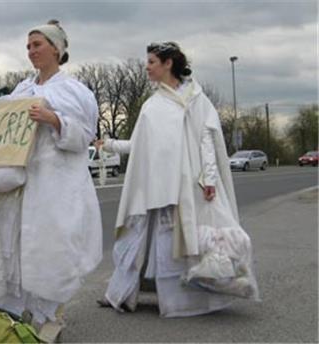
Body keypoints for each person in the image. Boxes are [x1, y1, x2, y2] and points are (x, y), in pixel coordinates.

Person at [0, 20, 103, 337]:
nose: (31, 51)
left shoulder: (75, 91)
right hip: (18, 182)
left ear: (56, 49)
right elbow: (3, 135)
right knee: (13, 246)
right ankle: (15, 313)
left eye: (37, 44)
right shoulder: (21, 90)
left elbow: (85, 135)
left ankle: (49, 314)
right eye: (28, 46)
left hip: (56, 182)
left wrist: (55, 120)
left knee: (49, 249)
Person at [95, 42, 259, 317]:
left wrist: (208, 177)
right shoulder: (150, 105)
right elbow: (138, 146)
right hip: (155, 187)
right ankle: (123, 295)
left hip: (187, 184)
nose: (146, 67)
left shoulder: (196, 98)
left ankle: (188, 300)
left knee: (184, 239)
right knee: (143, 238)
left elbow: (207, 138)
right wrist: (109, 145)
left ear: (168, 63)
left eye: (151, 62)